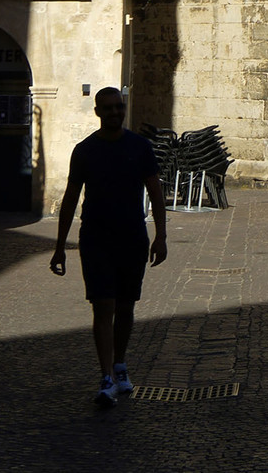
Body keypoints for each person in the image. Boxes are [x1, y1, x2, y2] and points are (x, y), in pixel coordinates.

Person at [50, 89, 167, 408]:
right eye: (109, 108)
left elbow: (155, 192)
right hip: (96, 239)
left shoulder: (140, 147)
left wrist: (161, 235)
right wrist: (60, 246)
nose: (115, 112)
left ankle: (119, 364)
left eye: (119, 107)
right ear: (98, 111)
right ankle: (105, 377)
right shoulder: (85, 150)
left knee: (126, 306)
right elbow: (71, 199)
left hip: (132, 237)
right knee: (103, 306)